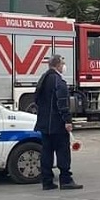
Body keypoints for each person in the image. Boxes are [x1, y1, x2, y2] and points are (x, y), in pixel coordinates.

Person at [34, 54, 83, 190]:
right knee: (63, 152)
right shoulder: (58, 81)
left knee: (46, 153)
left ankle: (47, 181)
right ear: (58, 65)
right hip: (57, 125)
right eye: (62, 63)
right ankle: (66, 180)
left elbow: (36, 99)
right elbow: (62, 103)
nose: (64, 66)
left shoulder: (43, 79)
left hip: (44, 124)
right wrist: (67, 120)